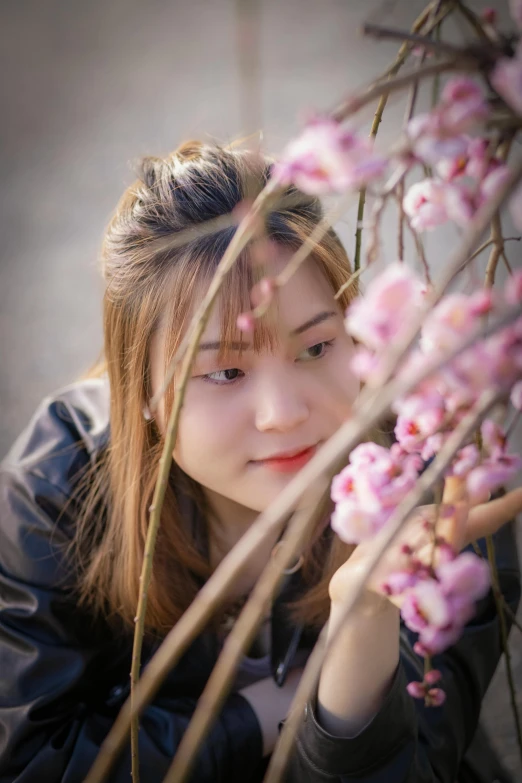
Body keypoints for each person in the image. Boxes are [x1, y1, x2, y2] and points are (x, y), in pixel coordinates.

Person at [0, 141, 521, 783]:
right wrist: (260, 714)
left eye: (317, 347)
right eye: (225, 370)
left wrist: (362, 622)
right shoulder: (58, 486)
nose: (282, 413)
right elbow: (32, 761)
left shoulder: (433, 474)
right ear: (139, 392)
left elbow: (421, 763)